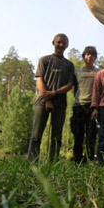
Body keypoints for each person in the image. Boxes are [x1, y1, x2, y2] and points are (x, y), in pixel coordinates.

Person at [27, 33, 75, 162]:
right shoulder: (44, 60)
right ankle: (32, 164)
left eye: (64, 43)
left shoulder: (69, 65)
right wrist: (48, 99)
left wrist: (55, 93)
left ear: (67, 45)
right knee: (36, 135)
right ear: (53, 42)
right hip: (42, 102)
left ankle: (52, 164)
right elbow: (39, 80)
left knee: (56, 136)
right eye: (59, 42)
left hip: (60, 103)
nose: (61, 45)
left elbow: (70, 85)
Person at [70, 46, 99, 164]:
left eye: (92, 54)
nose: (90, 56)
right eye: (87, 54)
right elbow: (74, 88)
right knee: (78, 134)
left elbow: (99, 91)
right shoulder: (77, 72)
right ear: (84, 56)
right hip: (78, 106)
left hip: (92, 107)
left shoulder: (98, 72)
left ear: (95, 57)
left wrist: (96, 107)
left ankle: (89, 159)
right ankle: (77, 160)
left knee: (91, 135)